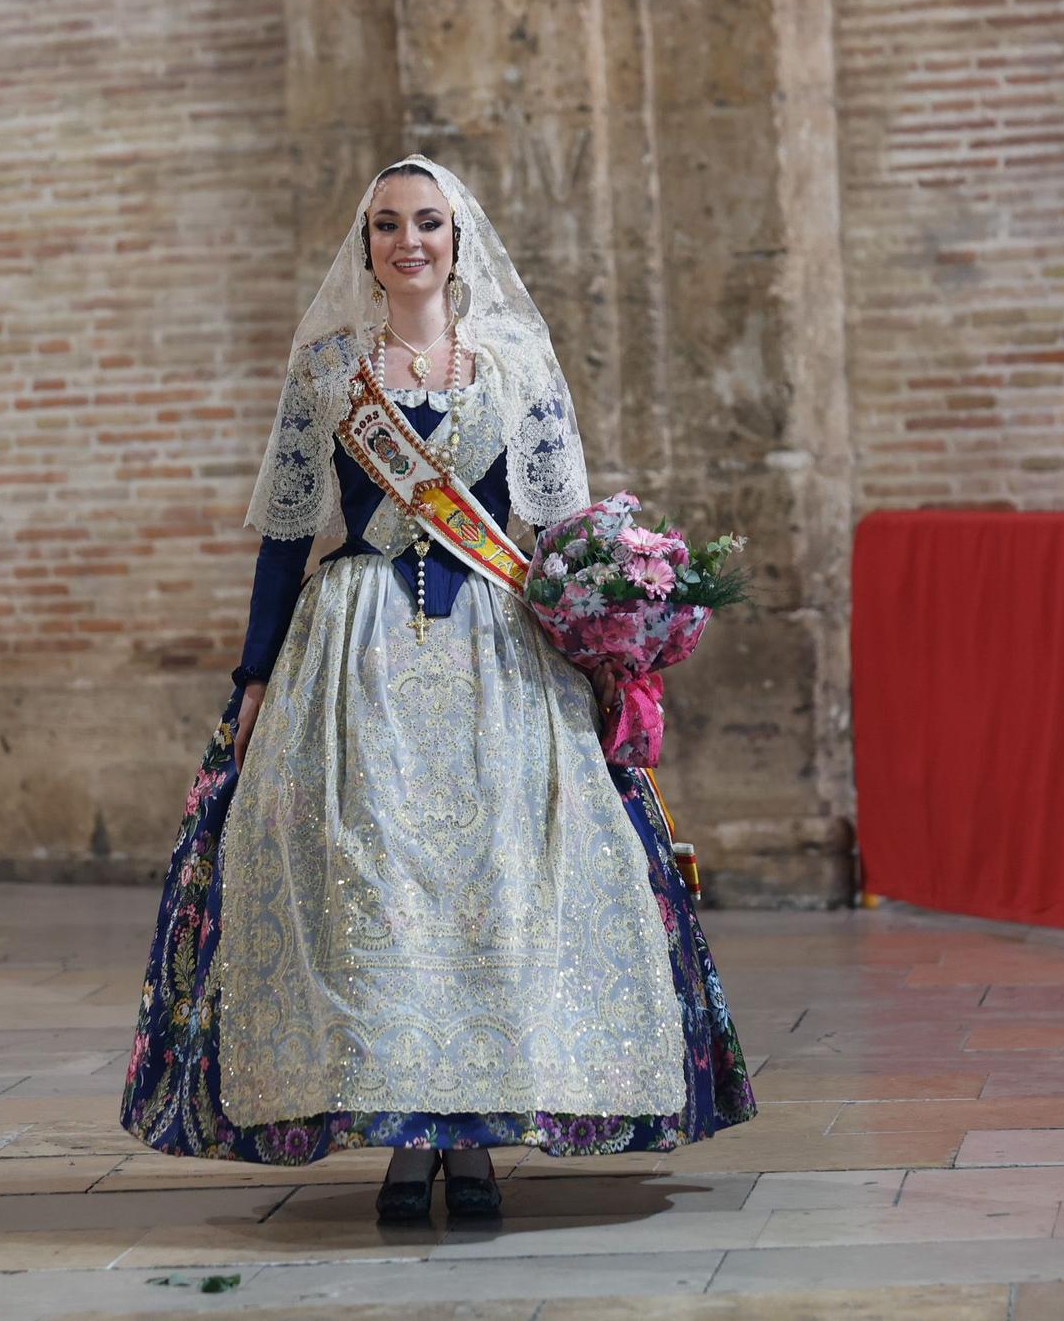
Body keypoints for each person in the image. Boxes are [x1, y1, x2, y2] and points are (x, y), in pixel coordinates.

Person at [119, 155, 754, 1222]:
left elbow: (552, 534)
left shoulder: (510, 365)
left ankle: (480, 1142)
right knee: (375, 893)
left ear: (459, 242)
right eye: (383, 225)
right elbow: (285, 538)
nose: (405, 240)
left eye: (426, 222)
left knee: (493, 886)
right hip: (354, 651)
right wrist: (253, 676)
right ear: (364, 248)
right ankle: (401, 1139)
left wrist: (605, 647)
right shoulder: (328, 368)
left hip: (497, 659)